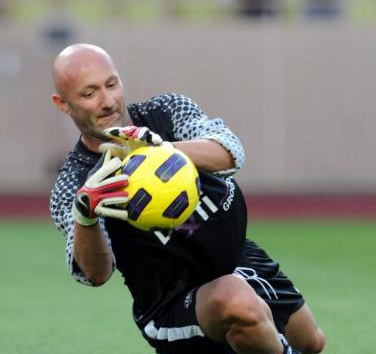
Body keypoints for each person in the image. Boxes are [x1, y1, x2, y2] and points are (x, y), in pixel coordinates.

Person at [50, 43, 325, 354]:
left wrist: (163, 152)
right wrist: (85, 214)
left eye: (111, 84)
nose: (108, 101)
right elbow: (95, 274)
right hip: (170, 301)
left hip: (236, 260)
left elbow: (230, 152)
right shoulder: (74, 183)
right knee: (236, 300)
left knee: (312, 342)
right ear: (64, 104)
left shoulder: (165, 111)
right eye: (89, 94)